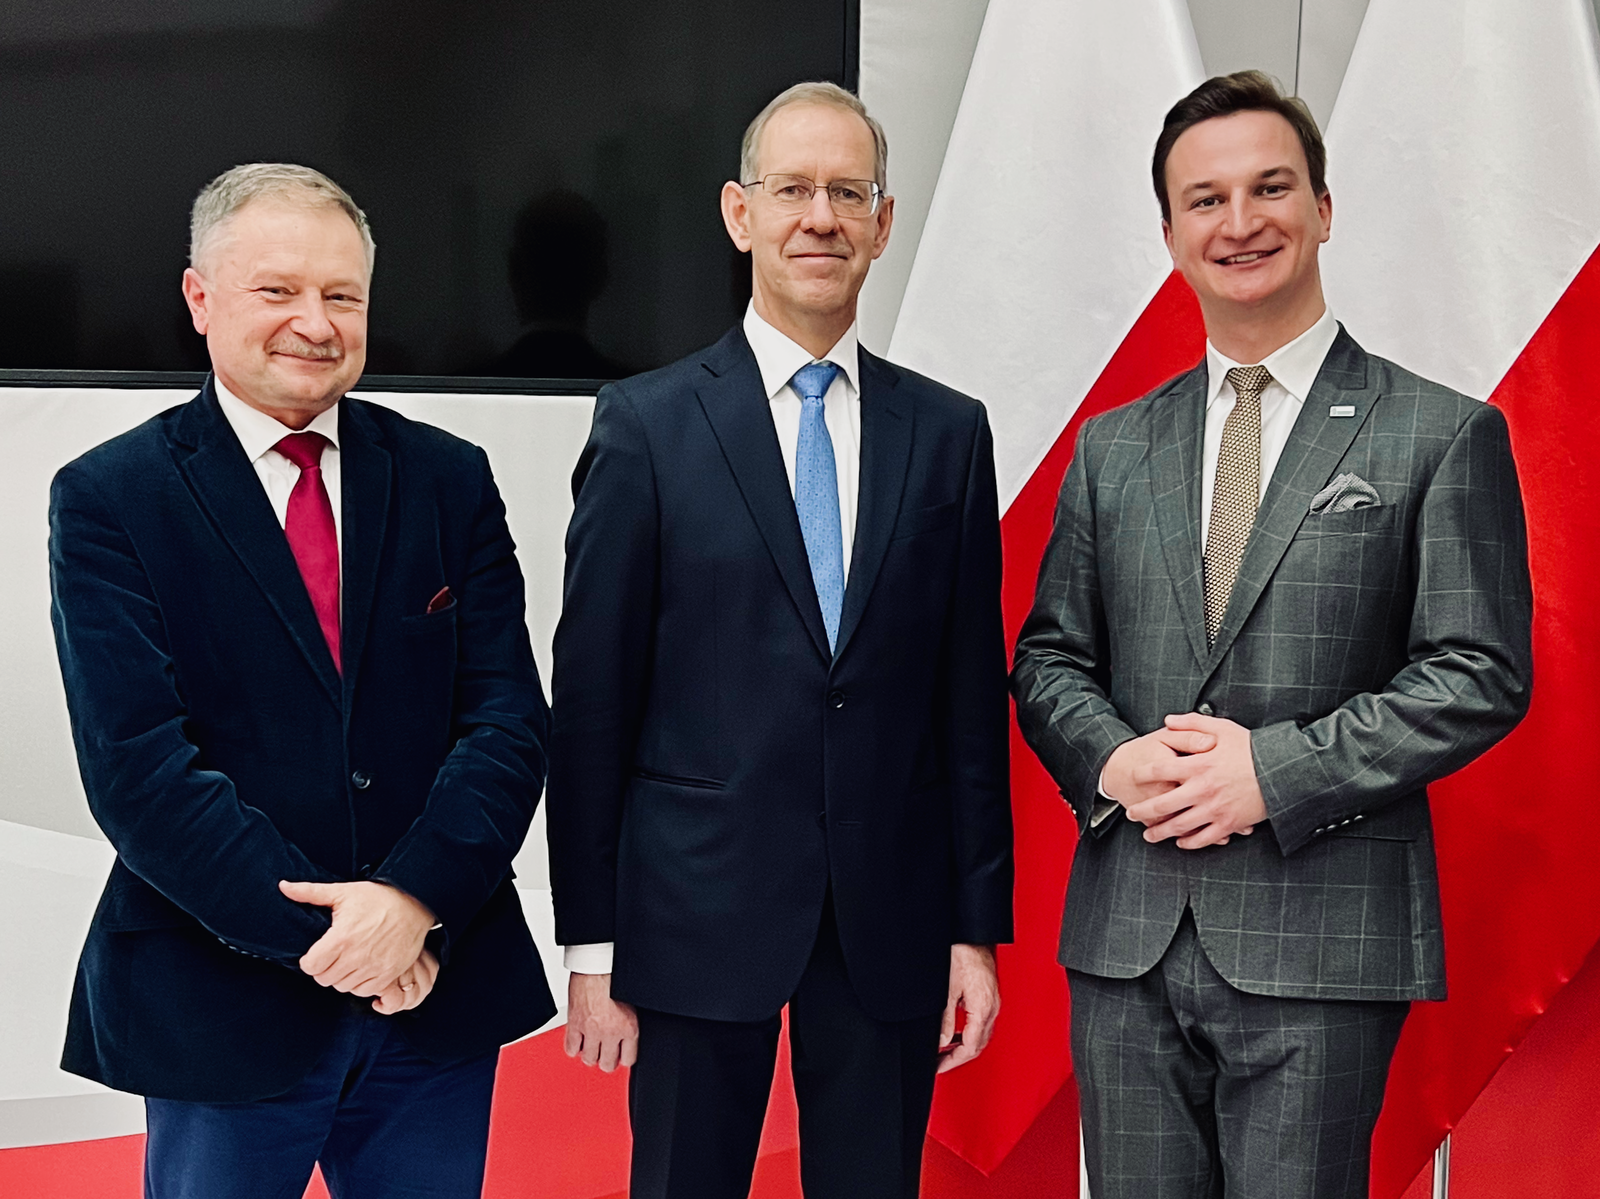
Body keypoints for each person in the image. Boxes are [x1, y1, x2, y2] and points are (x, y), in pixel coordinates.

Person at [1012, 71, 1533, 1199]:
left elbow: (1480, 670)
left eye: (1270, 188)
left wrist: (1274, 772)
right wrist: (1110, 758)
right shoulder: (1111, 447)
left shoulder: (1439, 433)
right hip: (1126, 939)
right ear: (1169, 234)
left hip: (1322, 944)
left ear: (1324, 208)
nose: (1239, 221)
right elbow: (1050, 656)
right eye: (1205, 200)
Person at [48, 163, 554, 1199]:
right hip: (219, 1006)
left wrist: (412, 899)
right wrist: (349, 939)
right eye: (277, 290)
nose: (315, 324)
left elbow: (506, 722)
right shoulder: (109, 497)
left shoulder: (449, 478)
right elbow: (139, 768)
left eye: (342, 295)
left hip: (436, 1002)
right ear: (200, 298)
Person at [546, 81, 1014, 1199]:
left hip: (889, 919)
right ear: (738, 212)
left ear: (883, 224)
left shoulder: (947, 433)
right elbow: (593, 700)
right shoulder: (646, 424)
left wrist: (973, 928)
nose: (820, 217)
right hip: (689, 918)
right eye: (792, 188)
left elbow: (965, 700)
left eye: (848, 193)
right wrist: (592, 943)